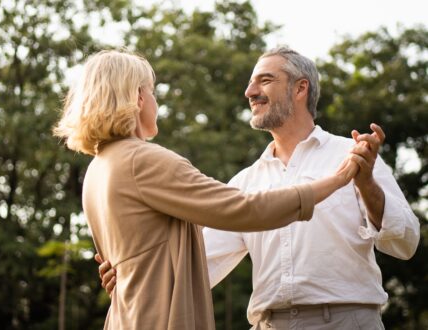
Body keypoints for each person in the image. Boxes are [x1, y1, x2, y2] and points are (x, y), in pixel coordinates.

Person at [97, 47, 420, 329]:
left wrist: (366, 184)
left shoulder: (355, 157)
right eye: (251, 82)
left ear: (300, 88)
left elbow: (404, 242)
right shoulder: (244, 184)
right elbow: (197, 266)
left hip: (347, 323)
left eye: (264, 80)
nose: (250, 91)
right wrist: (132, 275)